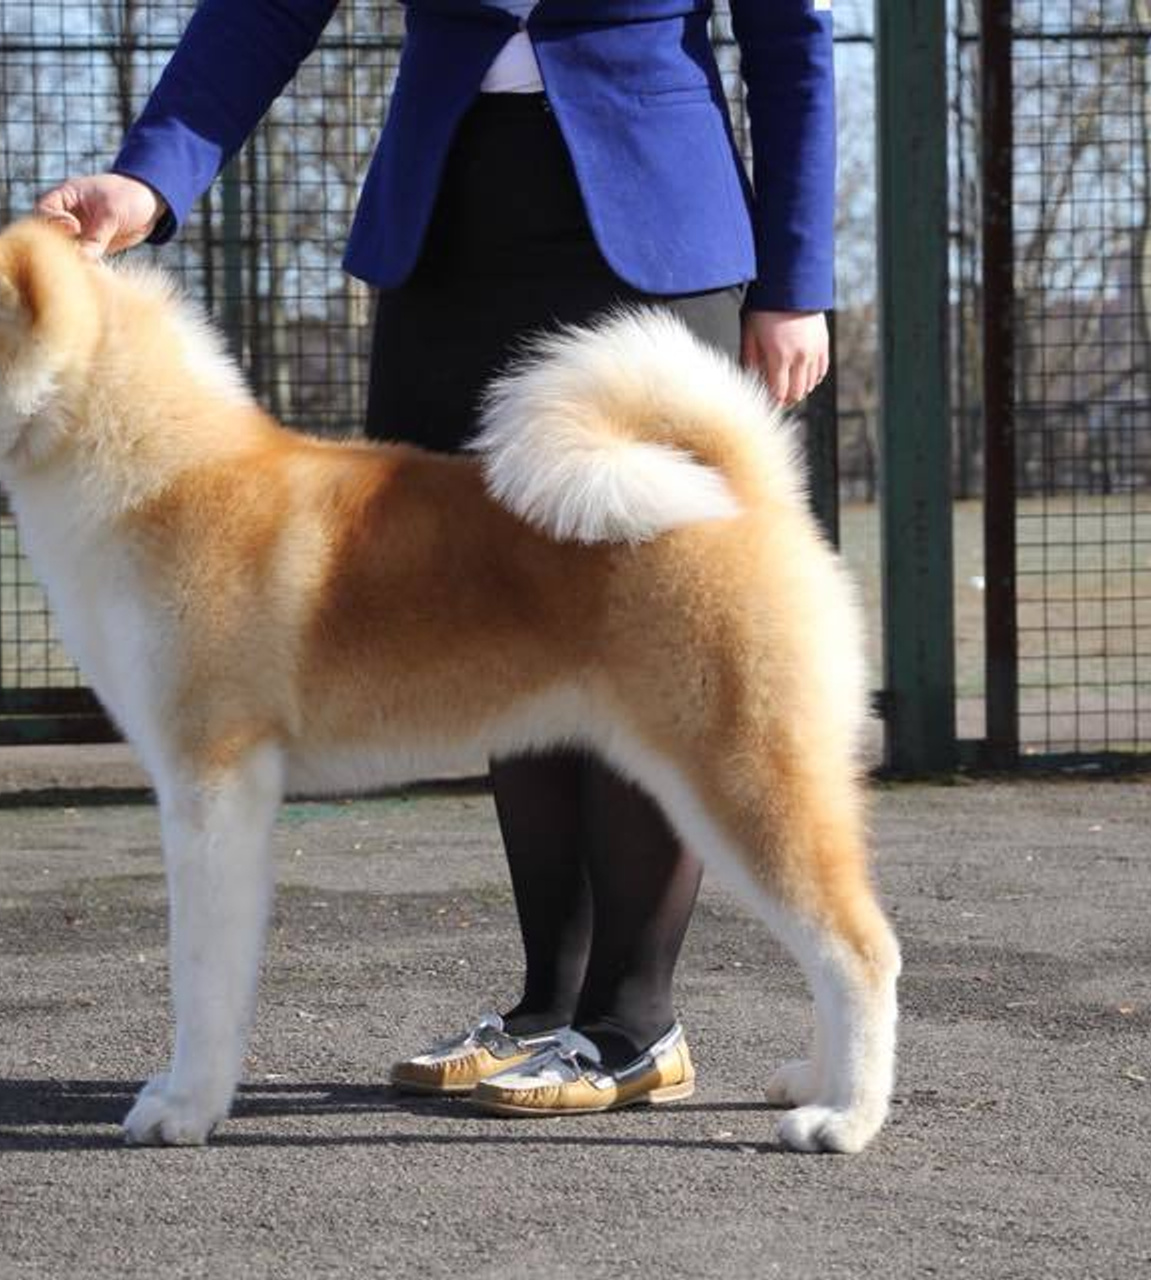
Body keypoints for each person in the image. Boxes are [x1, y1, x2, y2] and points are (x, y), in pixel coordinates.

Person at [38, 0, 835, 1117]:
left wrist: (796, 276)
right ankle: (546, 1004)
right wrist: (151, 177)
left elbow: (786, 32)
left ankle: (632, 1019)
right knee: (479, 617)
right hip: (444, 221)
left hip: (654, 220)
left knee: (644, 619)